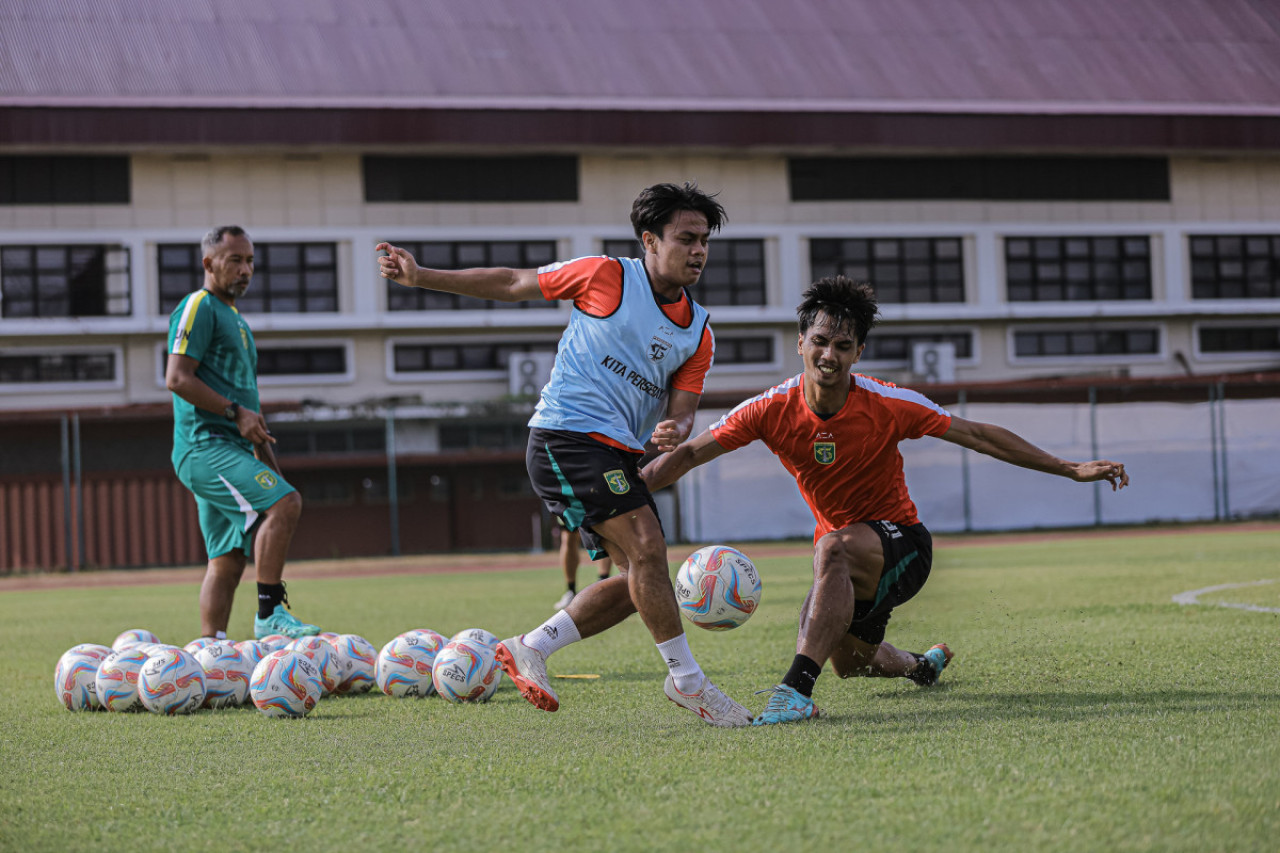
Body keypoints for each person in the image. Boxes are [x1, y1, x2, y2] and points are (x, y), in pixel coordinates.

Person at [643, 275, 1130, 725]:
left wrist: (1069, 468)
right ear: (800, 344)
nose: (829, 354)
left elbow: (979, 435)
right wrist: (624, 496)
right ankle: (922, 665)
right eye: (819, 341)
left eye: (842, 345)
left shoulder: (889, 403)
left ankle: (793, 693)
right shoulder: (769, 410)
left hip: (904, 548)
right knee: (850, 662)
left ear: (858, 353)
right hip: (847, 560)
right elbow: (687, 454)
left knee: (830, 548)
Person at [377, 181, 752, 726]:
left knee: (635, 584)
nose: (698, 251)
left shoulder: (698, 331)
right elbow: (512, 282)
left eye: (704, 241)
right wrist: (420, 277)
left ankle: (531, 647)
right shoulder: (605, 276)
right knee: (648, 546)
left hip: (618, 455)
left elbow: (684, 408)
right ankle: (689, 682)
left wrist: (675, 428)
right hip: (566, 436)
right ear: (649, 240)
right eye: (686, 238)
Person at [165, 225, 319, 641]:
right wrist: (234, 413)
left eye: (250, 261)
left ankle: (211, 653)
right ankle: (269, 614)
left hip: (230, 447)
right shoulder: (198, 306)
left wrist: (267, 457)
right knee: (285, 505)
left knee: (227, 560)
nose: (245, 269)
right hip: (204, 446)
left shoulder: (239, 323)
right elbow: (177, 379)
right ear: (208, 263)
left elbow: (252, 412)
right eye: (235, 260)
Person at [554, 520, 614, 610]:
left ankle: (603, 589)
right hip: (572, 505)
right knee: (568, 537)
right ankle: (571, 591)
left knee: (601, 530)